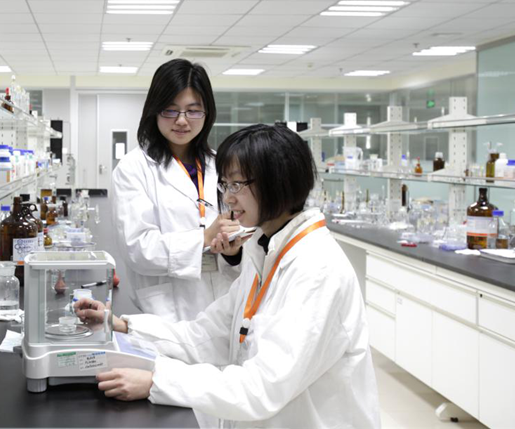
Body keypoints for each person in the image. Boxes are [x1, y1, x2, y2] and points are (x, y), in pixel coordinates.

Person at [79, 124, 380, 428]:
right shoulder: (264, 252)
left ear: (278, 181)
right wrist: (124, 326)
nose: (228, 198)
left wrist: (158, 381)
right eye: (224, 185)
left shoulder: (316, 268)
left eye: (237, 185)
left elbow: (263, 387)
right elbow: (205, 335)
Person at [112, 59, 242, 322]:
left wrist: (233, 251)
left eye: (193, 111)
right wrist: (203, 238)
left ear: (207, 113)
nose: (182, 121)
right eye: (170, 110)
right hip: (168, 307)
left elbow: (243, 224)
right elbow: (138, 248)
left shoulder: (220, 164)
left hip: (225, 299)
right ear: (154, 110)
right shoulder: (133, 168)